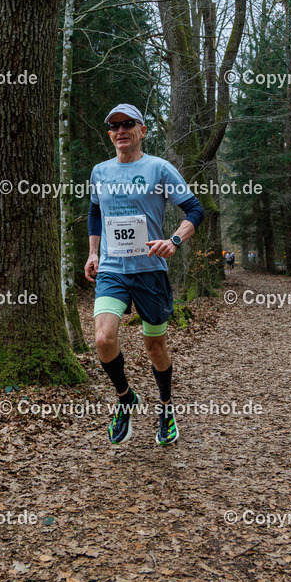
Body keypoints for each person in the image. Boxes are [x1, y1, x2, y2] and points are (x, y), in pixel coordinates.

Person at [84, 104, 204, 446]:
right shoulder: (99, 172)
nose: (121, 130)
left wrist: (175, 240)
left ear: (142, 130)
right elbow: (95, 212)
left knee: (154, 346)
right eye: (115, 126)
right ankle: (125, 399)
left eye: (128, 124)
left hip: (150, 271)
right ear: (110, 135)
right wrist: (93, 253)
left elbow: (195, 209)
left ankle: (166, 409)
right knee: (103, 340)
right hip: (111, 270)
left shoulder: (159, 168)